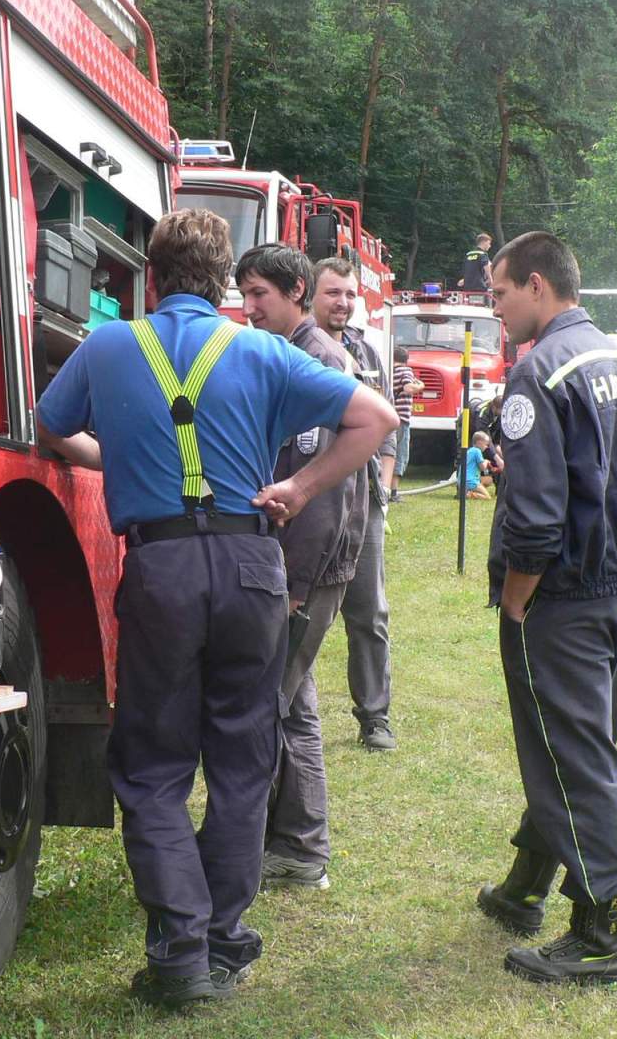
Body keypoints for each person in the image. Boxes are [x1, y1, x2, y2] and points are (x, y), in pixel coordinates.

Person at [36, 209, 394, 1008]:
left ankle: (180, 952)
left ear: (151, 276)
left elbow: (52, 429)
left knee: (153, 767)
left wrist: (124, 458)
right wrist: (299, 487)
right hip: (252, 567)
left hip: (161, 567)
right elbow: (377, 418)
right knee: (242, 761)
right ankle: (224, 941)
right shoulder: (263, 350)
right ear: (225, 282)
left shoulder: (108, 345)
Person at [477, 230, 617, 987]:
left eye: (499, 294)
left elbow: (536, 520)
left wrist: (515, 603)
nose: (495, 310)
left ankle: (597, 935)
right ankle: (525, 886)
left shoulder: (537, 373)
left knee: (576, 759)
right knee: (574, 744)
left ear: (536, 285)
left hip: (563, 603)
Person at [234, 244, 370, 888]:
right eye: (244, 294)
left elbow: (327, 491)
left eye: (259, 294)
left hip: (308, 567)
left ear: (295, 291)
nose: (248, 307)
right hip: (302, 565)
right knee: (296, 702)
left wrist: (296, 585)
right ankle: (298, 844)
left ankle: (291, 847)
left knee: (274, 703)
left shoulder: (317, 361)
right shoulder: (292, 353)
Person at [311, 257, 398, 753]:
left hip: (364, 505)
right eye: (333, 293)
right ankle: (279, 704)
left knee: (369, 613)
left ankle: (375, 717)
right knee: (297, 608)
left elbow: (389, 425)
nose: (343, 303)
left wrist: (383, 481)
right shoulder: (295, 350)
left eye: (349, 294)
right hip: (311, 500)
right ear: (309, 295)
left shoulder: (364, 352)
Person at [390, 345, 417, 495]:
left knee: (388, 452)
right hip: (401, 418)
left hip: (388, 417)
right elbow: (408, 388)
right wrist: (421, 386)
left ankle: (383, 489)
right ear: (406, 360)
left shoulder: (388, 371)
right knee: (400, 455)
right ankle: (394, 491)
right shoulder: (406, 371)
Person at [463, 432, 492, 500]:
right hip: (470, 481)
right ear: (479, 442)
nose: (486, 447)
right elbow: (483, 468)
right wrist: (486, 461)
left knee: (489, 480)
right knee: (487, 497)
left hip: (463, 480)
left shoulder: (470, 451)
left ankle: (471, 491)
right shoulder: (477, 451)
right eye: (486, 444)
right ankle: (470, 494)